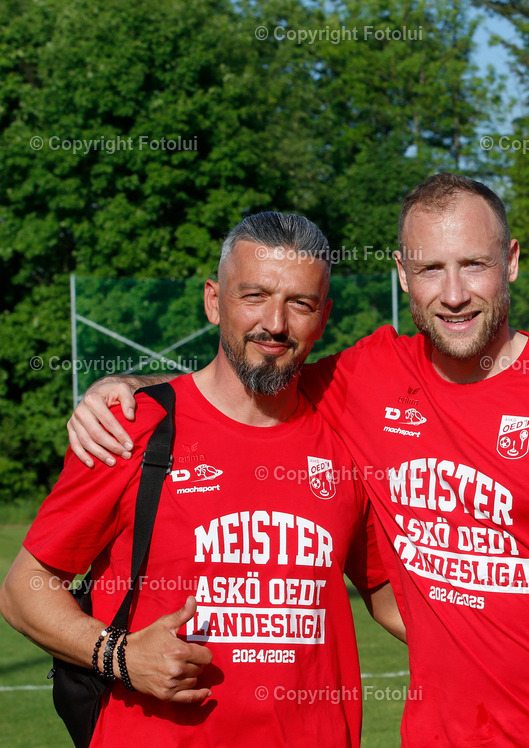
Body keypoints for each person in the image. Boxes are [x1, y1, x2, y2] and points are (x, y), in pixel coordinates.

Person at [64, 173, 529, 747]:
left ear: (512, 261)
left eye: (474, 264)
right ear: (402, 274)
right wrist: (130, 391)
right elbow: (256, 365)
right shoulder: (367, 377)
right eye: (430, 269)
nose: (453, 293)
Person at [0, 213, 402, 747]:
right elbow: (23, 590)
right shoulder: (133, 427)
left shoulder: (345, 435)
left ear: (324, 316)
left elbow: (389, 594)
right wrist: (119, 656)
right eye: (254, 296)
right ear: (214, 300)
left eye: (299, 303)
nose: (275, 323)